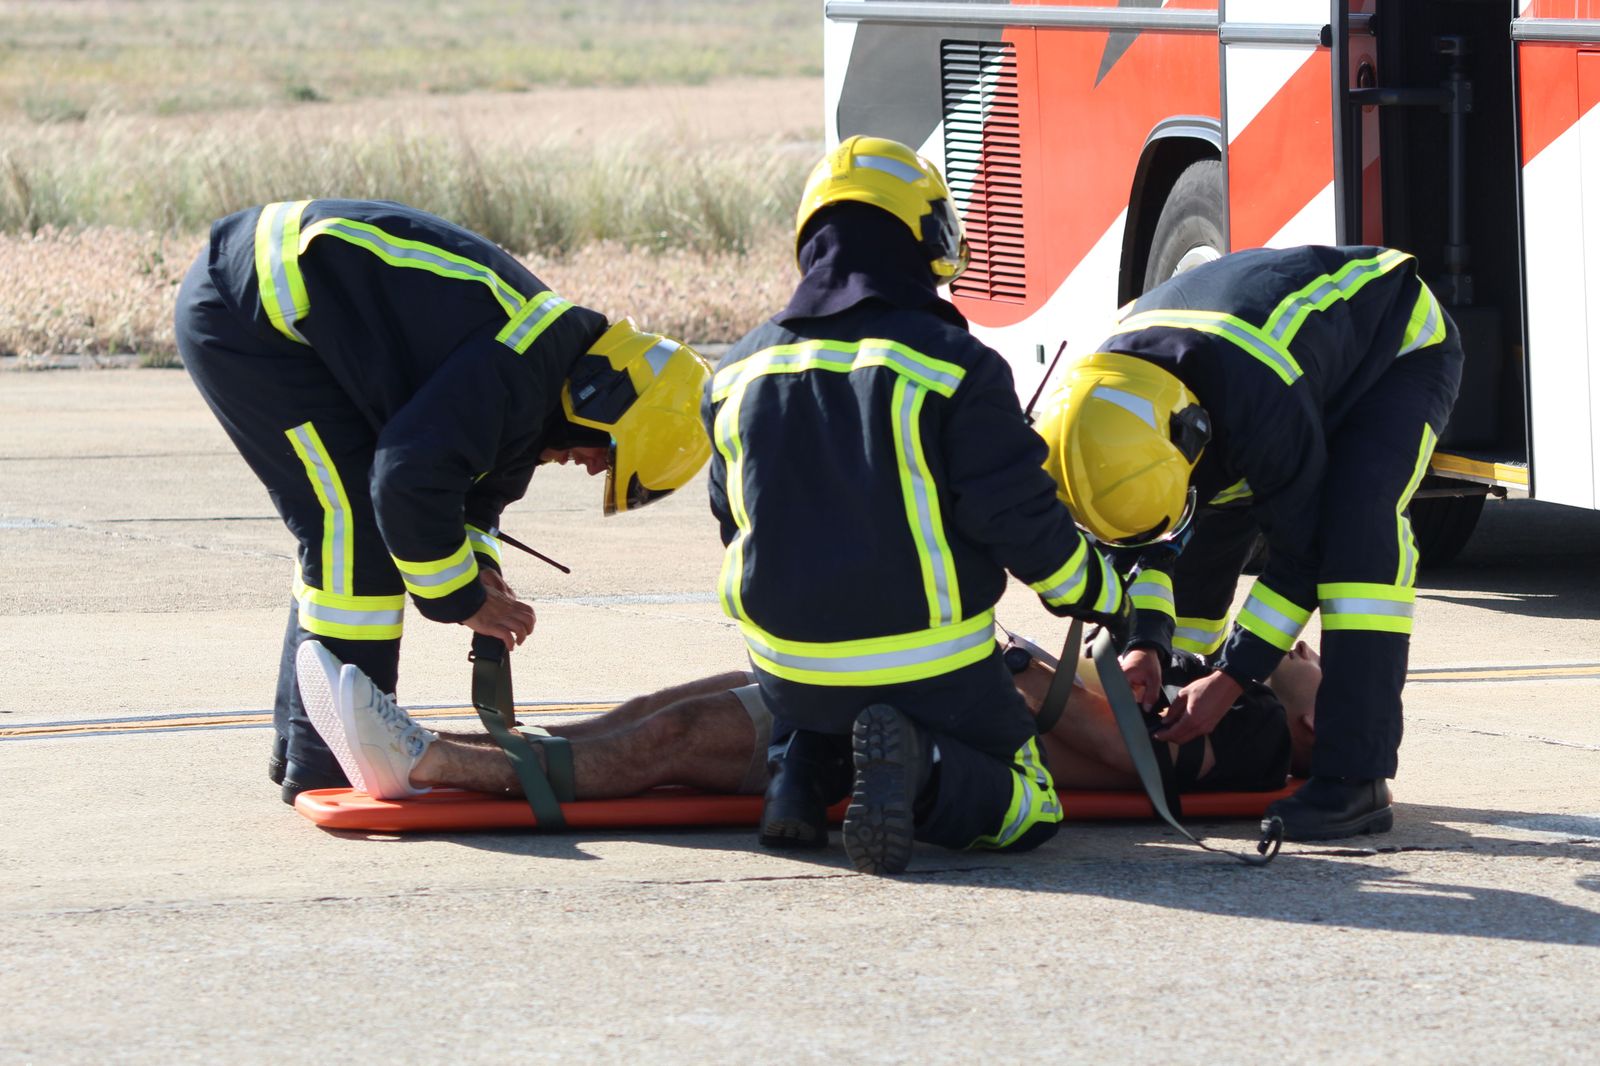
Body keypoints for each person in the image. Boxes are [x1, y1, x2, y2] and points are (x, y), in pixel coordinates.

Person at [174, 198, 712, 804]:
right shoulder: (520, 365)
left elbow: (479, 495)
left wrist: (479, 566)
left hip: (282, 314)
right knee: (352, 531)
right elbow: (405, 479)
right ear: (606, 398)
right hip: (251, 317)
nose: (590, 467)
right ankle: (328, 762)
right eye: (606, 454)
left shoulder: (542, 368)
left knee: (349, 536)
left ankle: (307, 747)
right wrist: (459, 600)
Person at [702, 137, 1131, 875]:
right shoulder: (956, 366)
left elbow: (735, 522)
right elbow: (1020, 523)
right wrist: (1103, 591)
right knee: (1032, 804)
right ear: (925, 239)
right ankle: (923, 764)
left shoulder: (734, 370)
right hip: (930, 667)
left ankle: (797, 783)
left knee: (823, 682)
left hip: (787, 672)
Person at [1034, 244, 1462, 841]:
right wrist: (1148, 645)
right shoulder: (1103, 407)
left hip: (1391, 358)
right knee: (1208, 533)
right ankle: (1190, 678)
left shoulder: (1259, 397)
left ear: (1190, 437)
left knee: (1354, 538)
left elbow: (1300, 554)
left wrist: (1235, 676)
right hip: (1257, 382)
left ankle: (1355, 780)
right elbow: (1148, 539)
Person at [292, 633, 1320, 810]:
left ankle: (427, 764)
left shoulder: (1262, 738)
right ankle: (449, 748)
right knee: (669, 709)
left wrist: (1012, 660)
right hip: (933, 692)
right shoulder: (1242, 692)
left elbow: (1119, 755)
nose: (1301, 650)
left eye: (1316, 662)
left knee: (674, 745)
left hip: (932, 726)